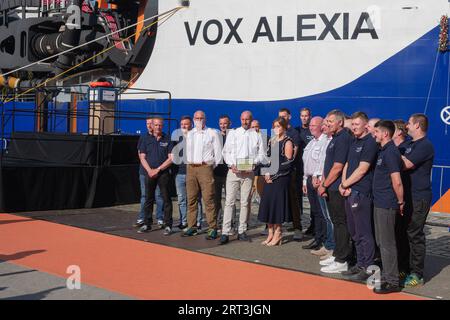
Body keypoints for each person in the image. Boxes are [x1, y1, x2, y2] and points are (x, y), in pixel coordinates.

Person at [339, 112, 379, 281]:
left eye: (357, 124)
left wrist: (346, 184)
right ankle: (360, 263)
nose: (354, 127)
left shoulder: (370, 143)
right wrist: (343, 184)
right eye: (352, 124)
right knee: (354, 232)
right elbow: (347, 164)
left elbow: (363, 169)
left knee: (364, 232)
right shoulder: (354, 141)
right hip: (349, 191)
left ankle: (368, 267)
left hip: (361, 193)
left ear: (365, 126)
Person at [219, 111, 266, 244]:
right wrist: (231, 164)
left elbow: (261, 155)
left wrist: (253, 164)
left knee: (245, 202)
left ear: (251, 120)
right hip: (233, 172)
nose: (245, 122)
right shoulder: (233, 133)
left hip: (248, 173)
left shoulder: (257, 135)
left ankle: (242, 231)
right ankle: (225, 232)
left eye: (247, 120)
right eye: (243, 119)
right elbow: (225, 152)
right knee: (229, 202)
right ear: (240, 119)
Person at [317, 109, 353, 274]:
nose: (327, 124)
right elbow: (329, 163)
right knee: (336, 223)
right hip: (330, 187)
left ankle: (342, 259)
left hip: (337, 188)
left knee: (341, 224)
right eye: (327, 121)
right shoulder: (334, 139)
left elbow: (338, 167)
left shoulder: (343, 139)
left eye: (330, 121)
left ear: (340, 122)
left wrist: (324, 185)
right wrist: (324, 184)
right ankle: (337, 254)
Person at [401, 114, 434, 288]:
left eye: (409, 123)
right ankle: (405, 267)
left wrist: (390, 150)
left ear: (418, 126)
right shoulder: (409, 144)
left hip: (419, 197)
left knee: (415, 234)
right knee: (404, 232)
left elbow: (406, 164)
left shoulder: (425, 146)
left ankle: (417, 273)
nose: (407, 126)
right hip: (407, 196)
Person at [372, 120, 404, 294]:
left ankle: (392, 282)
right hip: (379, 203)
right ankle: (386, 275)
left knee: (387, 244)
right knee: (381, 242)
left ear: (385, 134)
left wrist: (400, 202)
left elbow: (397, 181)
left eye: (376, 132)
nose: (374, 134)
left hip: (387, 204)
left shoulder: (391, 152)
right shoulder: (383, 151)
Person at [183, 110, 222, 240]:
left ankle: (212, 228)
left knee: (208, 199)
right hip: (191, 168)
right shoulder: (189, 134)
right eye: (197, 118)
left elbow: (218, 154)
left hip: (205, 167)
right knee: (191, 199)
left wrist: (209, 166)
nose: (199, 120)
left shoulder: (212, 133)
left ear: (205, 119)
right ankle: (192, 227)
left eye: (201, 118)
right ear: (193, 119)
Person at [258, 117, 294, 246]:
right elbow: (267, 160)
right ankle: (270, 232)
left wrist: (273, 175)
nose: (276, 129)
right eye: (274, 126)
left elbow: (288, 163)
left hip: (280, 179)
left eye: (279, 126)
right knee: (268, 205)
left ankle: (278, 232)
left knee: (277, 206)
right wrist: (266, 172)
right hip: (269, 178)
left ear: (284, 127)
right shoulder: (272, 141)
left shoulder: (287, 141)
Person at [138, 118, 174, 235]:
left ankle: (168, 225)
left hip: (163, 173)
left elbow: (171, 158)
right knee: (148, 198)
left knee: (166, 198)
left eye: (160, 125)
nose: (158, 127)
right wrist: (149, 170)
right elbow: (142, 157)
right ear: (152, 126)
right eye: (156, 125)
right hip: (149, 173)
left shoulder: (167, 138)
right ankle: (147, 224)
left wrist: (158, 169)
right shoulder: (145, 139)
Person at [301, 116, 329, 253]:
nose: (311, 127)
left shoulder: (325, 141)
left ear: (321, 126)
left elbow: (322, 162)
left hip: (317, 180)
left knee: (322, 213)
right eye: (310, 125)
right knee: (315, 212)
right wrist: (304, 180)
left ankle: (323, 240)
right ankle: (318, 238)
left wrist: (317, 177)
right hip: (309, 179)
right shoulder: (312, 142)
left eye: (314, 125)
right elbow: (307, 163)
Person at [172, 116, 204, 231]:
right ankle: (184, 221)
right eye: (182, 124)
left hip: (194, 173)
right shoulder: (177, 138)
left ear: (191, 125)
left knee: (196, 199)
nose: (184, 126)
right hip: (180, 173)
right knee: (181, 199)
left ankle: (198, 222)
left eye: (186, 124)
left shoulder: (197, 137)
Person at [278, 108, 303, 241]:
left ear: (289, 117)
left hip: (290, 172)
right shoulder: (277, 132)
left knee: (293, 201)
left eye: (284, 116)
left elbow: (293, 155)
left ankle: (298, 228)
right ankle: (274, 227)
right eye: (279, 116)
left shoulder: (294, 133)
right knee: (276, 200)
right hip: (278, 173)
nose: (282, 118)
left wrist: (282, 167)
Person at [135, 117, 164, 228]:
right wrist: (149, 170)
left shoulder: (163, 137)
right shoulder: (143, 137)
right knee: (145, 196)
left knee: (159, 195)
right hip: (144, 172)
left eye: (151, 123)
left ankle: (160, 218)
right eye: (147, 123)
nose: (149, 125)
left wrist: (157, 170)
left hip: (159, 172)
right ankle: (143, 218)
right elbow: (140, 154)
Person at [393, 119, 412, 279]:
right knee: (396, 232)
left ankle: (405, 267)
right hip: (394, 197)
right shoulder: (396, 149)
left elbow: (404, 167)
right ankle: (398, 264)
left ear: (398, 132)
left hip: (406, 196)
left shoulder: (404, 148)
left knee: (404, 233)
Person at [296, 107, 315, 236]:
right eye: (302, 116)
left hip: (310, 171)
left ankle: (314, 225)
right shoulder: (296, 131)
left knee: (313, 200)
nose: (304, 118)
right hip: (298, 170)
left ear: (310, 116)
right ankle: (298, 224)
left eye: (306, 115)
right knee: (298, 199)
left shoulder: (313, 130)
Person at [214, 115, 232, 227]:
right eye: (221, 123)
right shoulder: (216, 137)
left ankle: (230, 223)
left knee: (230, 201)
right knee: (216, 199)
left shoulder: (233, 136)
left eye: (225, 123)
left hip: (229, 173)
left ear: (230, 123)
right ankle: (216, 222)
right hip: (216, 173)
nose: (223, 126)